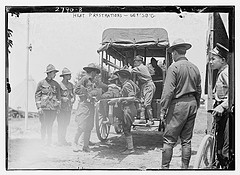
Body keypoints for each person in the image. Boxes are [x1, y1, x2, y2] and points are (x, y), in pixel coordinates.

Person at [159, 38, 202, 169]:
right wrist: (196, 105)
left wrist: (163, 110)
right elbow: (199, 90)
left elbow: (168, 91)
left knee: (169, 140)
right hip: (192, 103)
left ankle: (164, 168)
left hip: (178, 105)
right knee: (186, 141)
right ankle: (184, 169)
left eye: (172, 53)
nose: (172, 55)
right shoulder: (195, 68)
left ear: (175, 53)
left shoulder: (174, 67)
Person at [73, 63, 101, 152]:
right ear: (92, 72)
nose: (96, 74)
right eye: (95, 72)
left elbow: (95, 92)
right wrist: (85, 93)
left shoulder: (93, 82)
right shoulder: (84, 79)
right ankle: (74, 143)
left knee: (89, 126)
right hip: (84, 105)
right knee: (81, 126)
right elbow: (76, 89)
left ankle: (85, 146)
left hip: (91, 105)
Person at [209, 43, 229, 169]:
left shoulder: (225, 73)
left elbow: (235, 93)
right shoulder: (221, 72)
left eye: (213, 59)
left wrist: (222, 106)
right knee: (219, 142)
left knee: (225, 147)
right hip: (220, 111)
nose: (211, 62)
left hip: (227, 112)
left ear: (222, 60)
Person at [115, 68, 140, 154]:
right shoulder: (131, 83)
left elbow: (132, 97)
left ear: (123, 77)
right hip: (131, 108)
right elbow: (138, 90)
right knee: (126, 128)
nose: (118, 79)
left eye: (119, 77)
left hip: (128, 109)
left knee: (126, 128)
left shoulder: (126, 85)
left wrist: (121, 100)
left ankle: (130, 149)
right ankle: (129, 147)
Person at [35, 64, 61, 146]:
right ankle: (43, 141)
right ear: (49, 73)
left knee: (50, 125)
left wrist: (58, 107)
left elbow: (58, 96)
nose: (55, 74)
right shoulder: (41, 83)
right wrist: (39, 108)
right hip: (44, 108)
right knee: (44, 125)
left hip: (53, 108)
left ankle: (49, 142)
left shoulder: (56, 84)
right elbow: (37, 95)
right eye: (54, 73)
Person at [131, 55, 156, 125]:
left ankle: (151, 120)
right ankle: (143, 119)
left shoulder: (141, 67)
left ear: (139, 62)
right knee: (142, 103)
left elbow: (131, 71)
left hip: (149, 85)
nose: (134, 63)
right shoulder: (140, 67)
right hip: (144, 85)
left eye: (135, 61)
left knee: (147, 104)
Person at [57, 67, 75, 146]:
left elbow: (74, 95)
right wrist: (62, 98)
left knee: (66, 124)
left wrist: (73, 99)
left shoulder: (71, 85)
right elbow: (56, 97)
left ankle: (63, 139)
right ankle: (60, 140)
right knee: (61, 124)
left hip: (68, 108)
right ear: (64, 76)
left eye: (70, 75)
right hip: (61, 108)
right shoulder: (59, 85)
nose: (70, 76)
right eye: (68, 75)